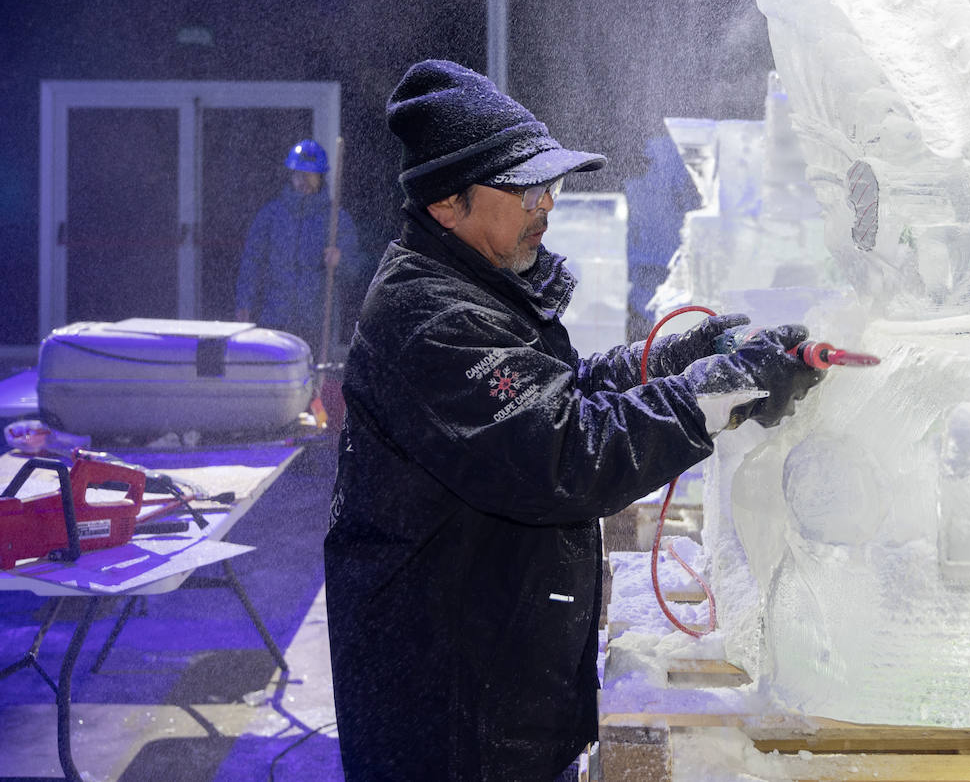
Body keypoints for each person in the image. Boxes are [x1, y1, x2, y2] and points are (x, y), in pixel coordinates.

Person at [322, 59, 822, 781]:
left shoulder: (476, 287)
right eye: (526, 189)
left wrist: (670, 360)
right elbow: (562, 454)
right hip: (450, 719)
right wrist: (714, 392)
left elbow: (558, 392)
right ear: (447, 204)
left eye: (549, 186)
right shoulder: (429, 320)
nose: (547, 205)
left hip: (492, 685)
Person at [234, 139, 360, 358]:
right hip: (275, 319)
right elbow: (252, 262)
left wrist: (340, 261)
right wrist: (244, 302)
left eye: (311, 175)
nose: (305, 181)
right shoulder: (271, 216)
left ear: (320, 177)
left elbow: (354, 271)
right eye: (300, 174)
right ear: (291, 175)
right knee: (275, 374)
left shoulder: (336, 219)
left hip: (317, 324)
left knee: (312, 376)